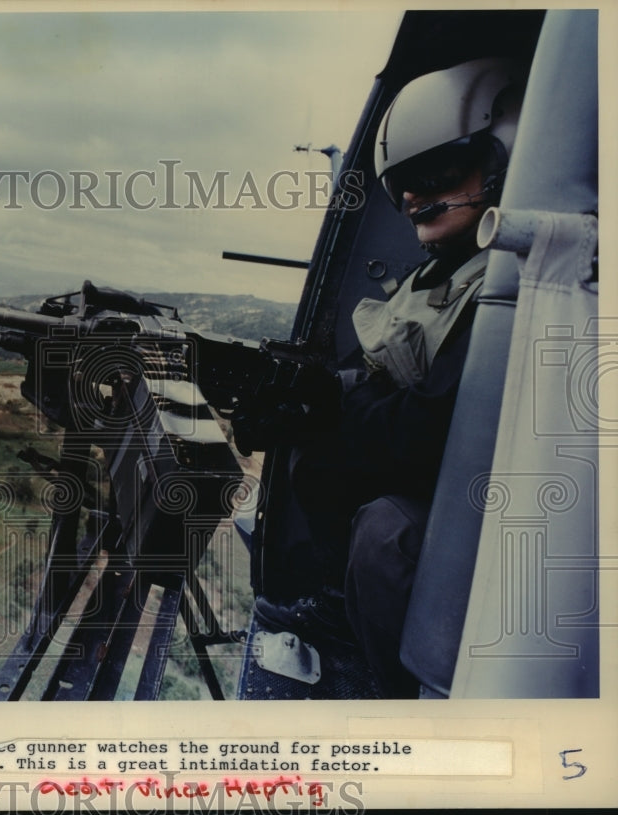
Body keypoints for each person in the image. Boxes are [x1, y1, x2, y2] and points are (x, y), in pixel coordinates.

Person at [246, 58, 527, 697]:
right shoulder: (437, 279)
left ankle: (403, 702)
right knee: (314, 460)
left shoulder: (508, 285)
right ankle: (342, 610)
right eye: (401, 183)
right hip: (445, 480)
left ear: (504, 162)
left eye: (433, 174)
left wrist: (330, 409)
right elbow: (376, 376)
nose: (408, 198)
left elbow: (434, 424)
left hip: (488, 500)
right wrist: (307, 394)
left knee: (385, 534)